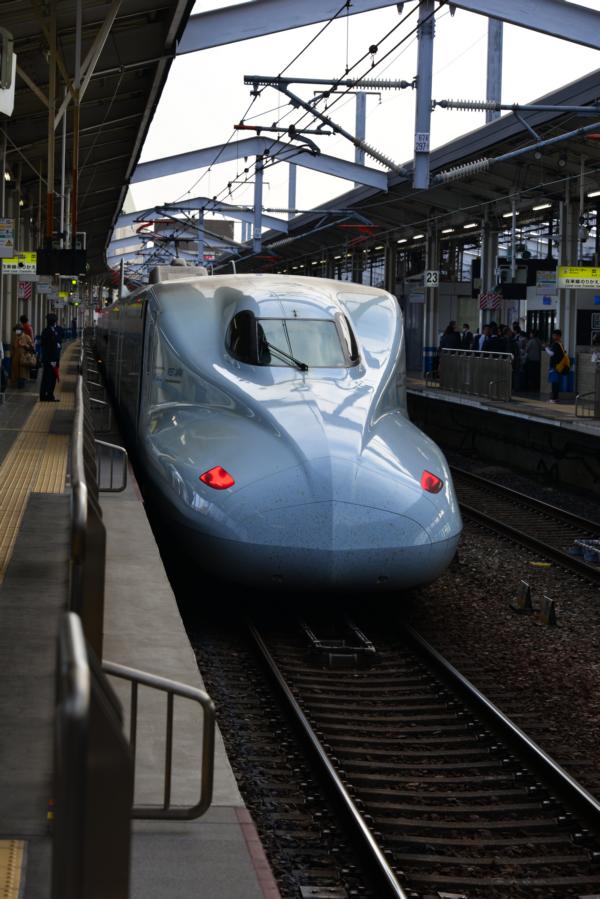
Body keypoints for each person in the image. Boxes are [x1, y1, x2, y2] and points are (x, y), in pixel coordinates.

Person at [40, 313, 61, 402]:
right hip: (51, 360)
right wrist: (53, 360)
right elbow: (49, 347)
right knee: (50, 378)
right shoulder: (49, 332)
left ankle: (47, 395)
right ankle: (47, 396)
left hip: (51, 359)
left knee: (48, 378)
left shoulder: (48, 331)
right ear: (54, 322)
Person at [9, 324, 35, 389]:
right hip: (16, 357)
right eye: (16, 330)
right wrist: (12, 356)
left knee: (23, 372)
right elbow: (12, 348)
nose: (17, 332)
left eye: (18, 330)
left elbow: (32, 347)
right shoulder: (15, 338)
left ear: (21, 330)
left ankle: (22, 383)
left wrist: (25, 345)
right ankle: (18, 382)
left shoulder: (27, 337)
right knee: (16, 372)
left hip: (24, 357)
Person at [545, 329, 567, 403]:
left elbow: (552, 354)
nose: (553, 336)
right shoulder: (560, 344)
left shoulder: (556, 344)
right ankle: (555, 398)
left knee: (554, 382)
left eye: (554, 335)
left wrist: (546, 348)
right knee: (556, 382)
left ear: (558, 336)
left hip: (555, 366)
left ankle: (554, 399)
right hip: (559, 366)